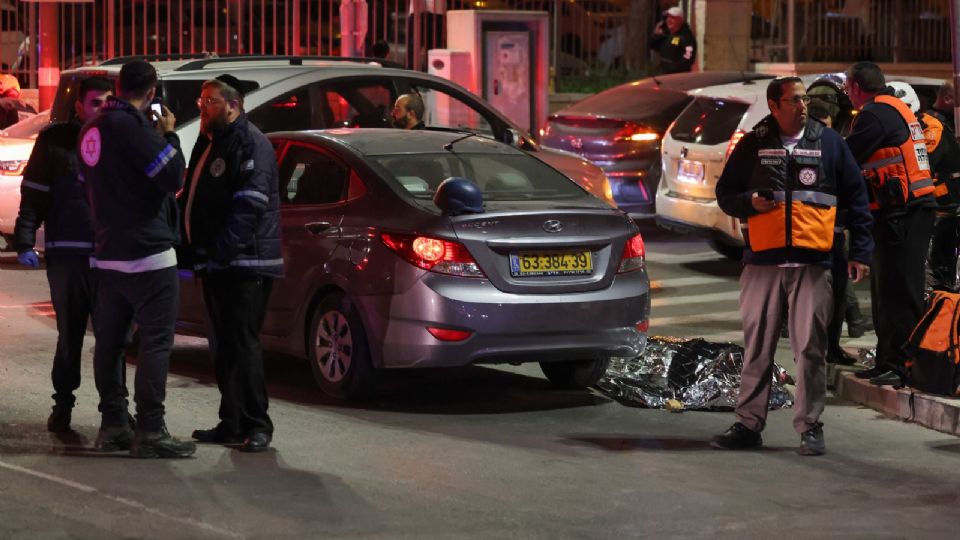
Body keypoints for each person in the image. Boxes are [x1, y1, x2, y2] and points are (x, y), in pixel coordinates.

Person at [711, 77, 872, 456]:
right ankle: (749, 425)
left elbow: (858, 198)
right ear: (774, 105)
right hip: (762, 264)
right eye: (795, 99)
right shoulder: (754, 143)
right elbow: (725, 196)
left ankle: (810, 426)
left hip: (813, 264)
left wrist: (860, 253)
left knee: (811, 349)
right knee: (757, 349)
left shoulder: (829, 142)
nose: (803, 105)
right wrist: (750, 202)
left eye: (804, 99)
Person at [78, 60, 195, 458]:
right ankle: (150, 429)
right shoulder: (133, 128)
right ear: (151, 91)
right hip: (148, 255)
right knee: (156, 344)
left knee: (109, 344)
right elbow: (173, 177)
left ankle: (113, 424)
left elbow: (86, 185)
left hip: (107, 254)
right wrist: (169, 136)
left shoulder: (91, 129)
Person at [181, 75, 283, 453]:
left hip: (245, 263)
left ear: (233, 105)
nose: (202, 108)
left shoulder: (250, 142)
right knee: (222, 346)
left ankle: (258, 424)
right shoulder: (210, 142)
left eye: (209, 102)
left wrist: (219, 252)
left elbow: (249, 207)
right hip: (216, 263)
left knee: (243, 345)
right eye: (201, 101)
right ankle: (232, 420)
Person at [13, 76, 120, 433]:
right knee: (69, 335)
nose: (101, 109)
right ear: (78, 106)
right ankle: (63, 407)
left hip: (110, 258)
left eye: (107, 102)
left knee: (113, 339)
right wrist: (25, 241)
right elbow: (34, 193)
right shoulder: (55, 140)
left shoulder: (122, 139)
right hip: (67, 257)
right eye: (94, 103)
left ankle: (114, 412)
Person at [844, 62, 938, 387]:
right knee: (888, 291)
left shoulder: (874, 114)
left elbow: (845, 157)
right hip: (904, 210)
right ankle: (888, 360)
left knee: (901, 292)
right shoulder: (894, 107)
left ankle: (902, 365)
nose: (845, 92)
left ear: (856, 87)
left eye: (846, 86)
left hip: (904, 212)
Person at [888, 82, 960, 292]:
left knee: (938, 274)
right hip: (922, 208)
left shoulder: (930, 128)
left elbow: (921, 166)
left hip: (944, 209)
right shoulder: (906, 130)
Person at [647, 6, 697, 74]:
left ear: (680, 20)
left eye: (673, 18)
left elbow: (688, 56)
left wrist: (675, 67)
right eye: (668, 17)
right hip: (664, 73)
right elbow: (653, 46)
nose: (669, 20)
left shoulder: (686, 37)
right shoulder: (667, 34)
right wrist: (656, 35)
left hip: (678, 76)